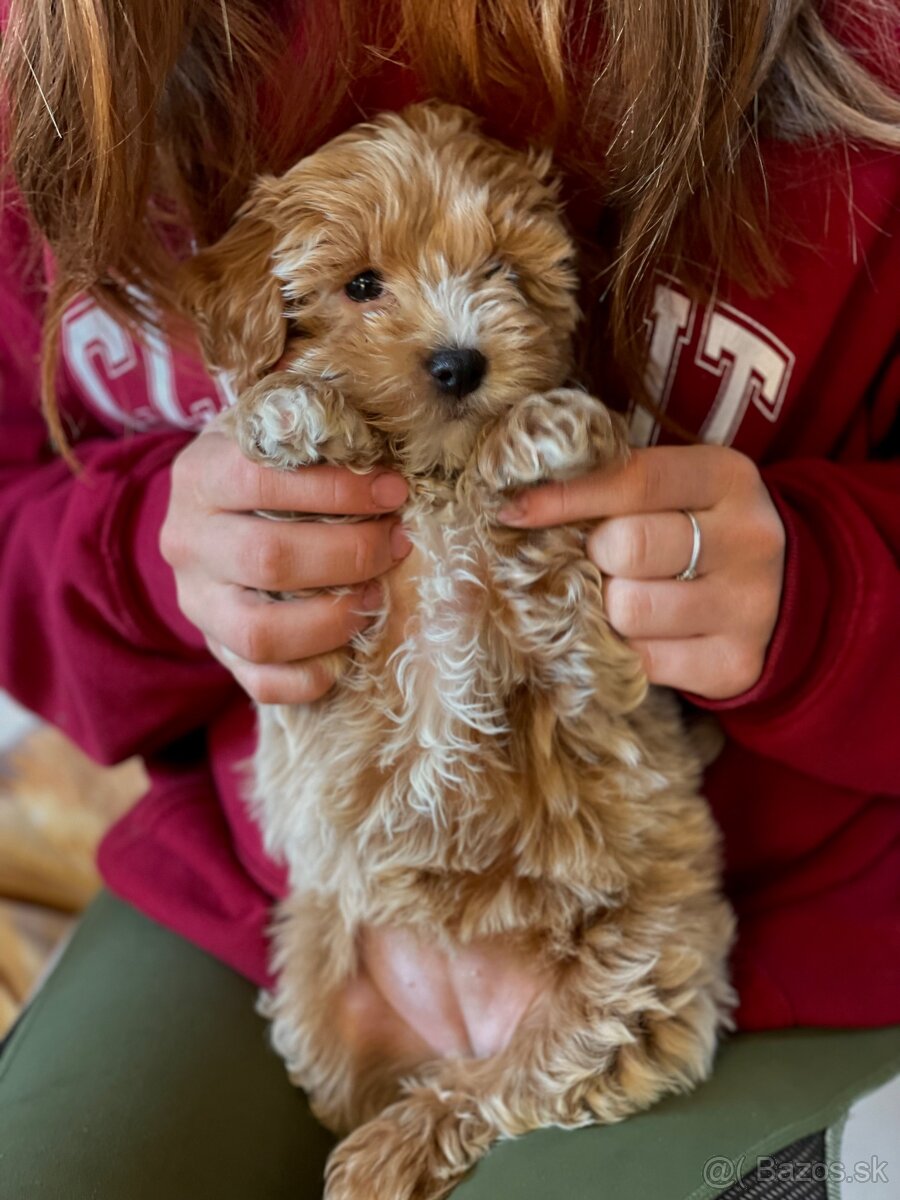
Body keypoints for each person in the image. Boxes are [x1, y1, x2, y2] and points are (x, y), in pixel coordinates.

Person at [0, 2, 898, 1198]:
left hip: (756, 932)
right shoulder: (46, 59)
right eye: (370, 284)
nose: (458, 341)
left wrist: (831, 596)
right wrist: (149, 554)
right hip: (271, 902)